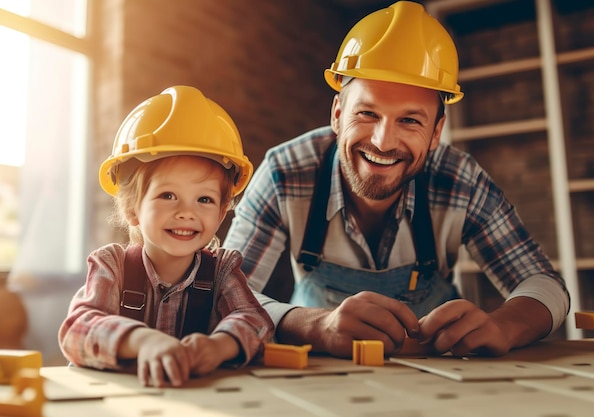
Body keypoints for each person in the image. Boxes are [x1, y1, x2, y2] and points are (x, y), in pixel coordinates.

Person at [223, 1, 570, 359]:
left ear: (436, 133)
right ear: (338, 114)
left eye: (410, 121)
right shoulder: (285, 172)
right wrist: (313, 324)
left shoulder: (459, 182)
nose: (382, 142)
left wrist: (504, 325)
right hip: (317, 372)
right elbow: (225, 294)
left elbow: (546, 286)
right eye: (367, 113)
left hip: (439, 381)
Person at [59, 85, 274, 387]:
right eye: (168, 195)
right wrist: (143, 341)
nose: (187, 212)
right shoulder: (112, 266)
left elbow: (258, 323)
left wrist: (218, 346)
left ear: (221, 212)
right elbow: (76, 330)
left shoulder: (223, 271)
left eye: (204, 200)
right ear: (132, 209)